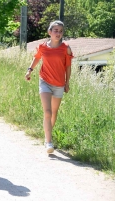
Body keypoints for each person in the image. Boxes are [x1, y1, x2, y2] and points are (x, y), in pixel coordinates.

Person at [25, 20, 73, 154]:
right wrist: (29, 70)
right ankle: (48, 141)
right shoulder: (43, 47)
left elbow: (68, 66)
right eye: (55, 30)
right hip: (45, 81)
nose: (58, 33)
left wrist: (67, 82)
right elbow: (37, 58)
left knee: (54, 112)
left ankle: (47, 135)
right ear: (49, 32)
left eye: (60, 31)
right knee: (47, 112)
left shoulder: (66, 48)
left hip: (59, 84)